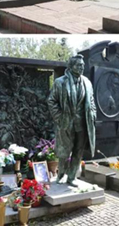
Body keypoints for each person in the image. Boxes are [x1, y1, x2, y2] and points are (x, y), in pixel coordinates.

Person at [47, 55, 96, 186]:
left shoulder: (87, 83)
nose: (81, 67)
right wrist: (59, 118)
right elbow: (51, 101)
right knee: (64, 152)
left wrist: (93, 114)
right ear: (71, 66)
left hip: (83, 123)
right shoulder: (60, 82)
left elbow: (91, 101)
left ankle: (72, 177)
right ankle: (60, 174)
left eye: (83, 65)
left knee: (78, 151)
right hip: (66, 123)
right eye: (79, 65)